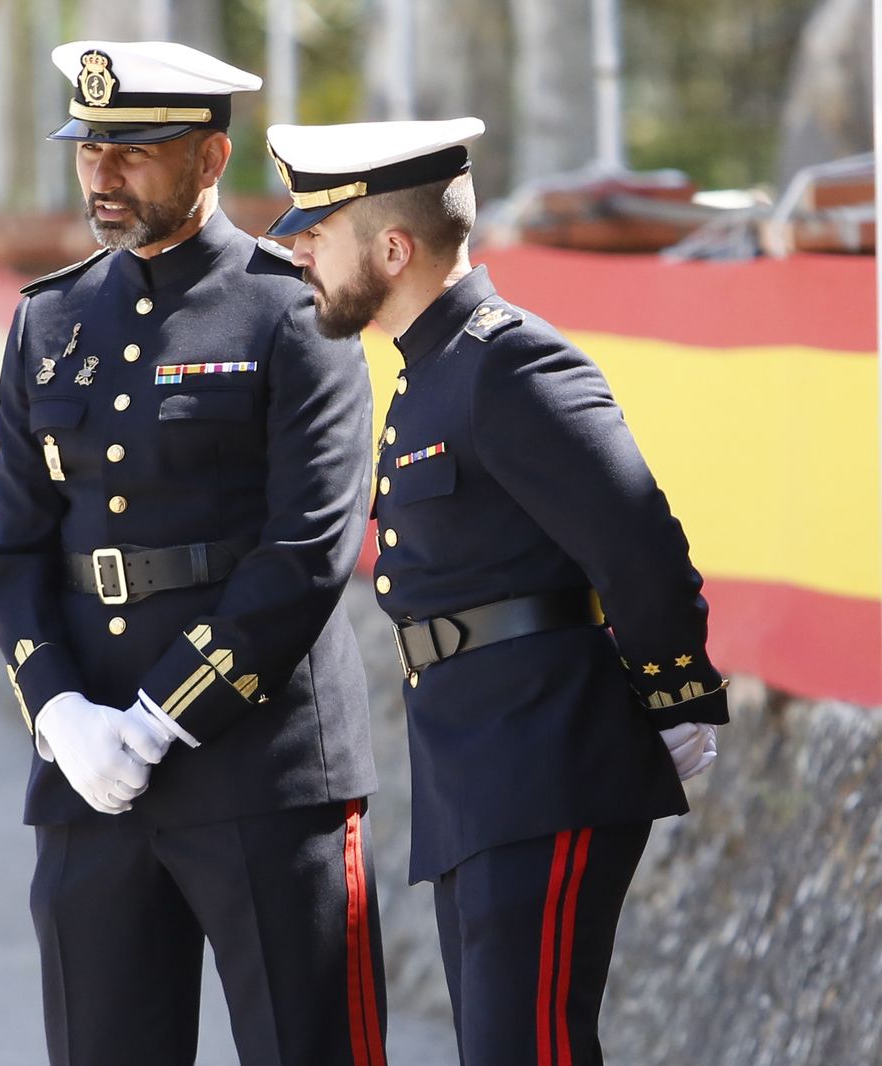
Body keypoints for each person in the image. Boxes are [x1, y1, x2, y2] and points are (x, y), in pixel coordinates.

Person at [264, 117, 728, 1064]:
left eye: (318, 230)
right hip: (474, 768)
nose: (297, 247)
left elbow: (637, 538)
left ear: (392, 247)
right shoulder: (433, 372)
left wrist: (676, 696)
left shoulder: (509, 361)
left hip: (546, 758)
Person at [0, 40, 388, 1066]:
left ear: (209, 161)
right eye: (88, 150)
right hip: (90, 775)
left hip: (262, 768)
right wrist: (60, 714)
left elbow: (304, 549)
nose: (101, 176)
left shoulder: (293, 310)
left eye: (136, 153)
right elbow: (15, 546)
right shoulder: (50, 319)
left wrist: (161, 717)